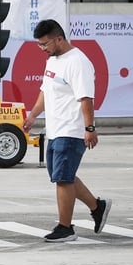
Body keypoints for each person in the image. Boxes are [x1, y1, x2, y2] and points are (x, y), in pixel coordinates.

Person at [22, 19, 111, 242]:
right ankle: (97, 206)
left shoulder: (78, 62)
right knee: (61, 176)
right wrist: (33, 116)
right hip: (54, 129)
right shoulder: (53, 60)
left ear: (59, 39)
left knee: (63, 178)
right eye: (40, 45)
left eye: (45, 44)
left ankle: (65, 227)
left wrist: (90, 128)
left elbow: (86, 98)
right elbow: (45, 91)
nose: (43, 49)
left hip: (72, 130)